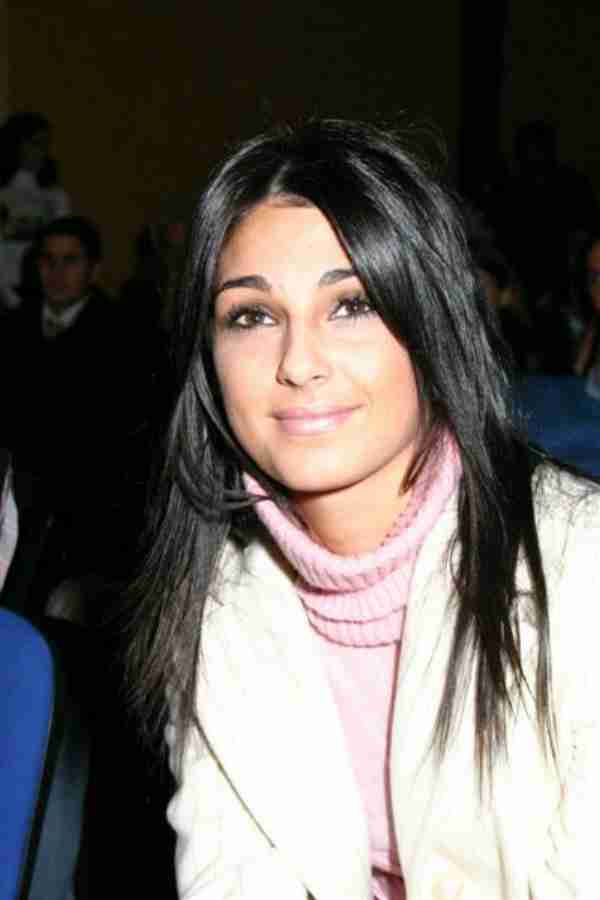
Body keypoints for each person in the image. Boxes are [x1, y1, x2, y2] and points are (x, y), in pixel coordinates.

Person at [127, 119, 600, 899]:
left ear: (433, 326)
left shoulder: (581, 569)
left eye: (350, 305)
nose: (298, 362)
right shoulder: (216, 604)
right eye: (252, 315)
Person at [0, 112, 71, 310]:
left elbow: (64, 247)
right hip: (7, 288)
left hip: (44, 290)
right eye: (35, 143)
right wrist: (8, 296)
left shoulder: (55, 196)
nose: (41, 151)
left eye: (45, 144)